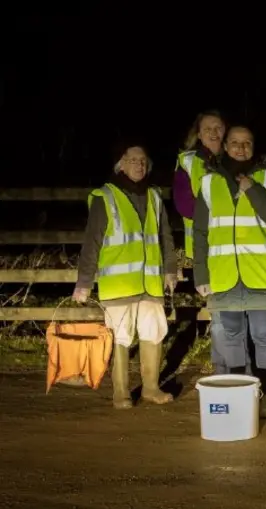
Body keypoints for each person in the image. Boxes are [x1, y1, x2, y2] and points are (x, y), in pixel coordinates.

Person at [192, 125, 266, 418]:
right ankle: (239, 389)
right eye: (234, 143)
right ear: (225, 146)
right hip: (224, 276)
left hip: (259, 274)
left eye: (246, 143)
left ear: (254, 147)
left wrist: (252, 188)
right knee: (232, 335)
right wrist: (201, 276)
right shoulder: (209, 183)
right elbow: (200, 232)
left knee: (262, 335)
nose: (240, 148)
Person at [73, 142, 178, 409]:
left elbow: (165, 236)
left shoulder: (154, 196)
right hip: (119, 285)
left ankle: (151, 389)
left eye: (143, 161)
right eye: (133, 160)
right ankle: (120, 392)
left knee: (153, 334)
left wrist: (169, 269)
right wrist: (84, 282)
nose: (139, 165)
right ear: (121, 164)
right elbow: (92, 242)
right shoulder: (105, 196)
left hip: (151, 283)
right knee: (121, 337)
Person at [172, 110, 242, 375]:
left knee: (237, 311)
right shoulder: (189, 162)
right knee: (221, 315)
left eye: (219, 127)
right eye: (208, 129)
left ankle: (237, 367)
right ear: (198, 134)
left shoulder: (235, 159)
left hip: (238, 247)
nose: (214, 133)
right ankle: (223, 371)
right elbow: (185, 205)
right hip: (209, 249)